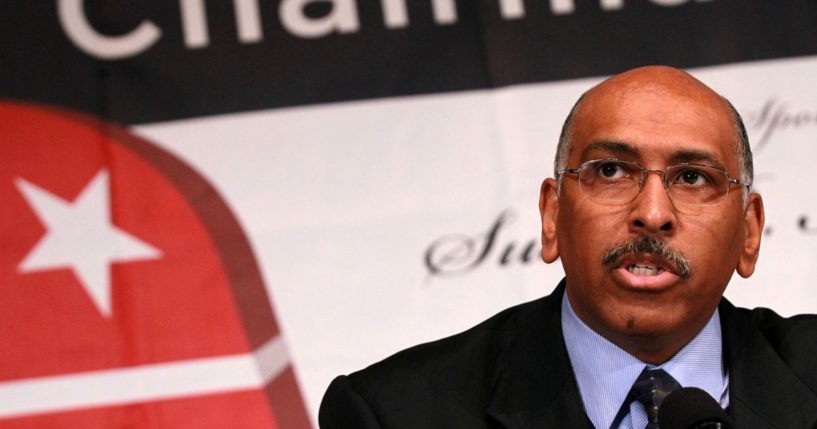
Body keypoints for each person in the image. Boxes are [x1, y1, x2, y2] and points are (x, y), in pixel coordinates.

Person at [318, 66, 817, 428]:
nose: (653, 213)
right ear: (552, 215)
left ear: (749, 233)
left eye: (692, 177)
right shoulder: (395, 414)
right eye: (611, 171)